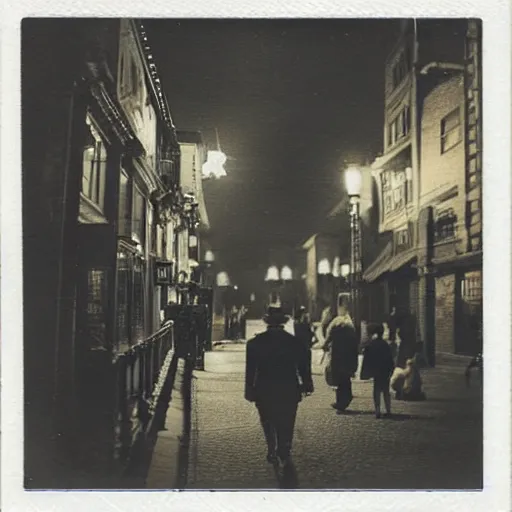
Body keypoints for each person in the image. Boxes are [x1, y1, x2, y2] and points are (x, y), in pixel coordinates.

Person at [245, 305, 314, 466]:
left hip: (264, 386)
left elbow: (250, 370)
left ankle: (271, 447)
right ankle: (285, 446)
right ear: (284, 322)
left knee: (267, 419)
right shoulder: (294, 342)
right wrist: (307, 384)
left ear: (266, 322)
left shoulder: (255, 343)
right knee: (287, 418)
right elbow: (303, 366)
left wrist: (249, 389)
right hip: (288, 385)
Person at [322, 302, 359, 413]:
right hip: (348, 356)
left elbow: (328, 338)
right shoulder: (349, 326)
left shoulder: (335, 326)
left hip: (338, 356)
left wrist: (325, 346)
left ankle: (341, 402)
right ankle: (344, 399)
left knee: (339, 379)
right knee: (345, 378)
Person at [361, 323, 395, 418]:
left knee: (376, 390)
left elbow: (367, 359)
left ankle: (377, 410)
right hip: (385, 370)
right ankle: (388, 410)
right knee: (386, 390)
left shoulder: (371, 345)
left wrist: (366, 372)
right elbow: (390, 358)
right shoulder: (385, 344)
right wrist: (391, 369)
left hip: (376, 371)